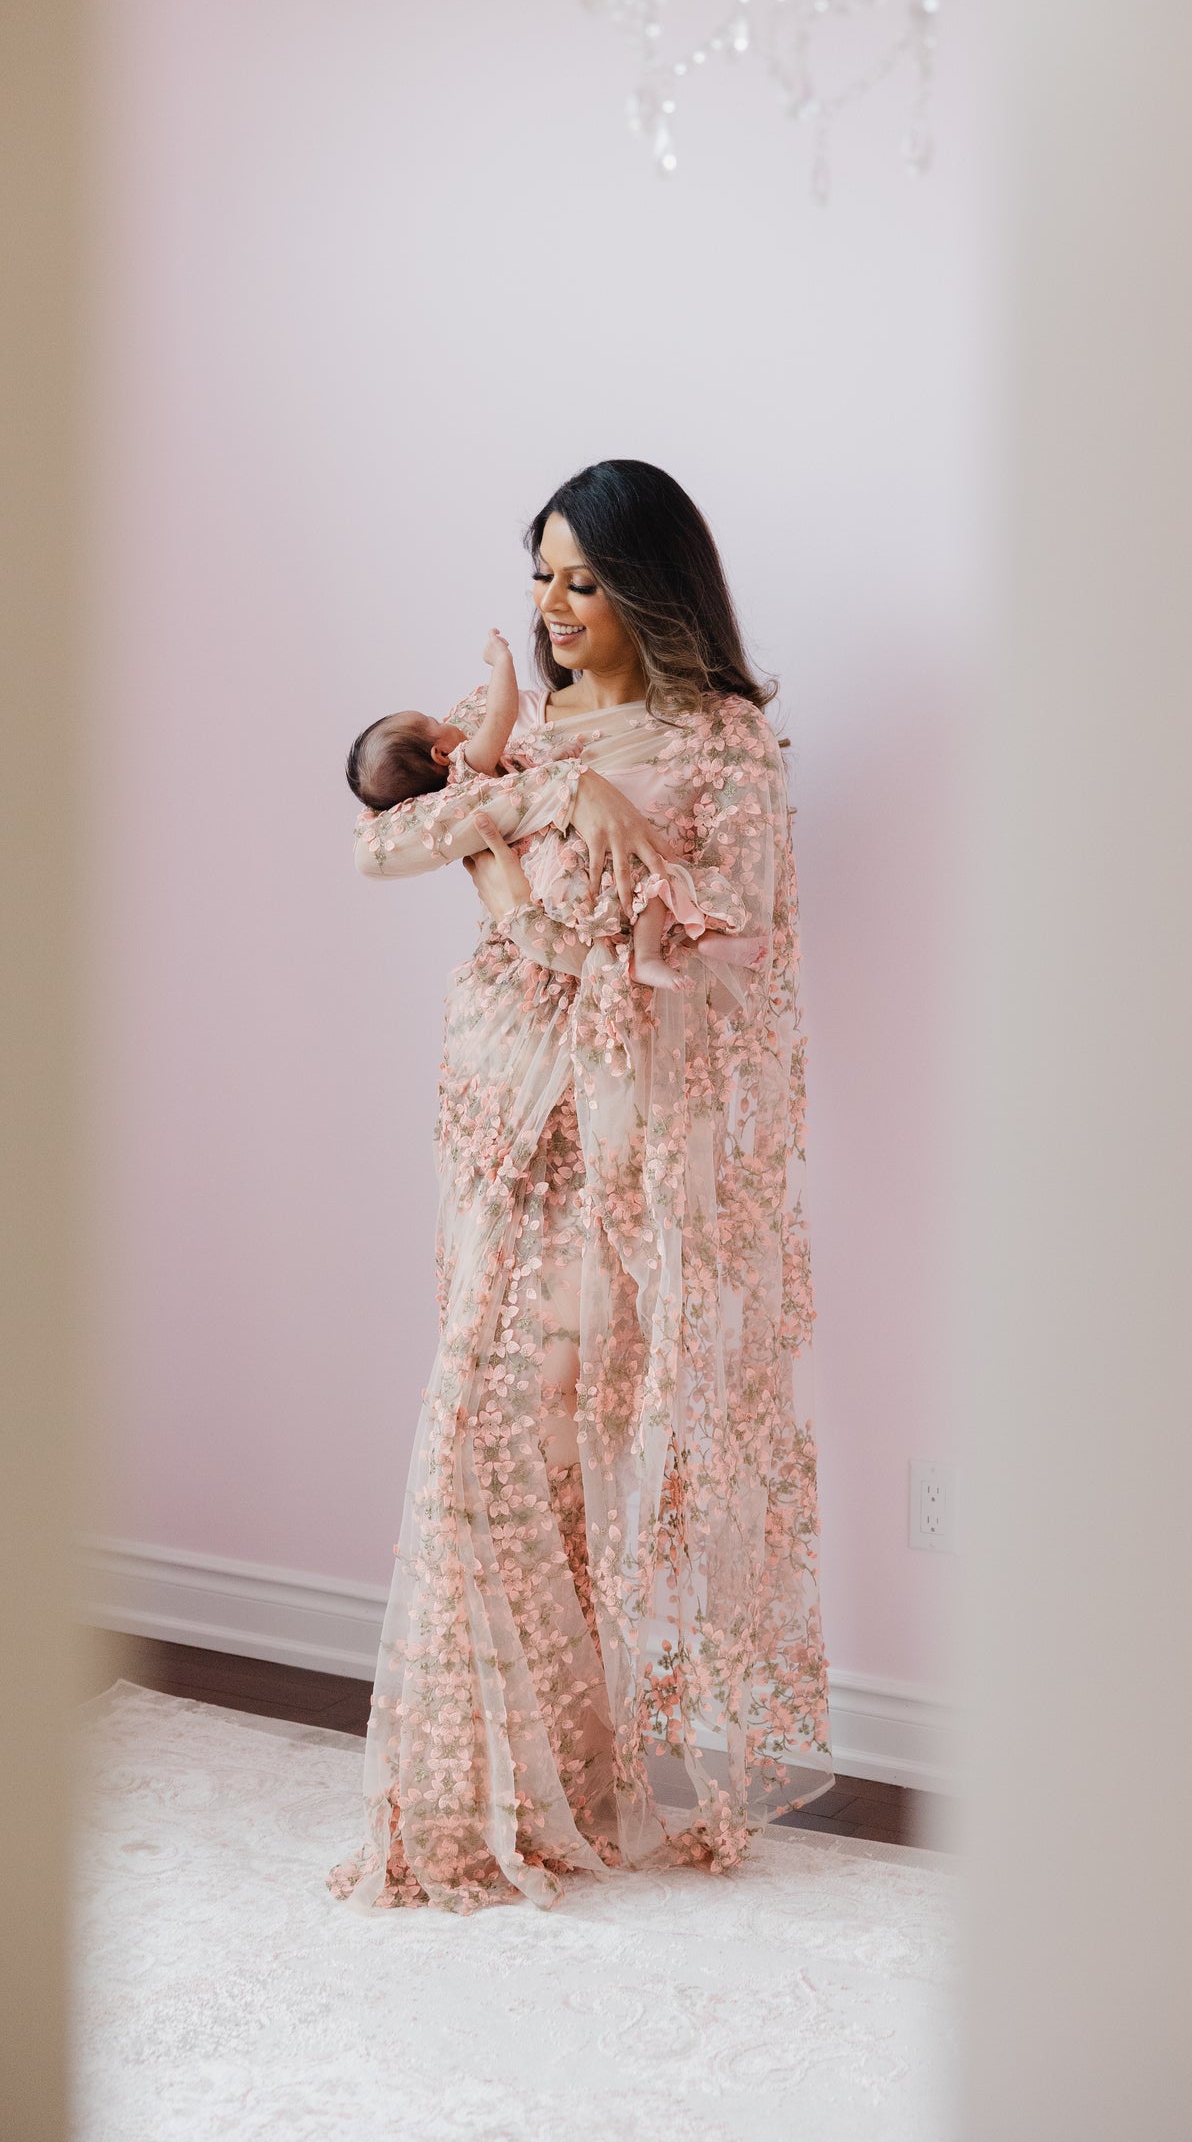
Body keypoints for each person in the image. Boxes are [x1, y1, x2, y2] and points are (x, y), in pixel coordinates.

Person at [327, 458, 830, 1914]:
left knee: (561, 1443)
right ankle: (459, 1792)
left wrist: (529, 835)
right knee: (482, 1417)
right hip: (499, 1114)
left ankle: (548, 1777)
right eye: (541, 574)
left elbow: (703, 944)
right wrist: (552, 790)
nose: (551, 606)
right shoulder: (538, 733)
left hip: (623, 1140)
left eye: (583, 580)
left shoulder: (727, 748)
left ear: (650, 589)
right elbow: (388, 841)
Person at [345, 630, 762, 991]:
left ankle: (687, 944)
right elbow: (501, 714)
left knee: (647, 874)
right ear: (440, 753)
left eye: (578, 583)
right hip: (562, 862)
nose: (550, 600)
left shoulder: (726, 732)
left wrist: (561, 762)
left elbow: (528, 763)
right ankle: (672, 946)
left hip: (555, 875)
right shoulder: (467, 762)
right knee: (647, 875)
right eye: (436, 720)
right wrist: (500, 661)